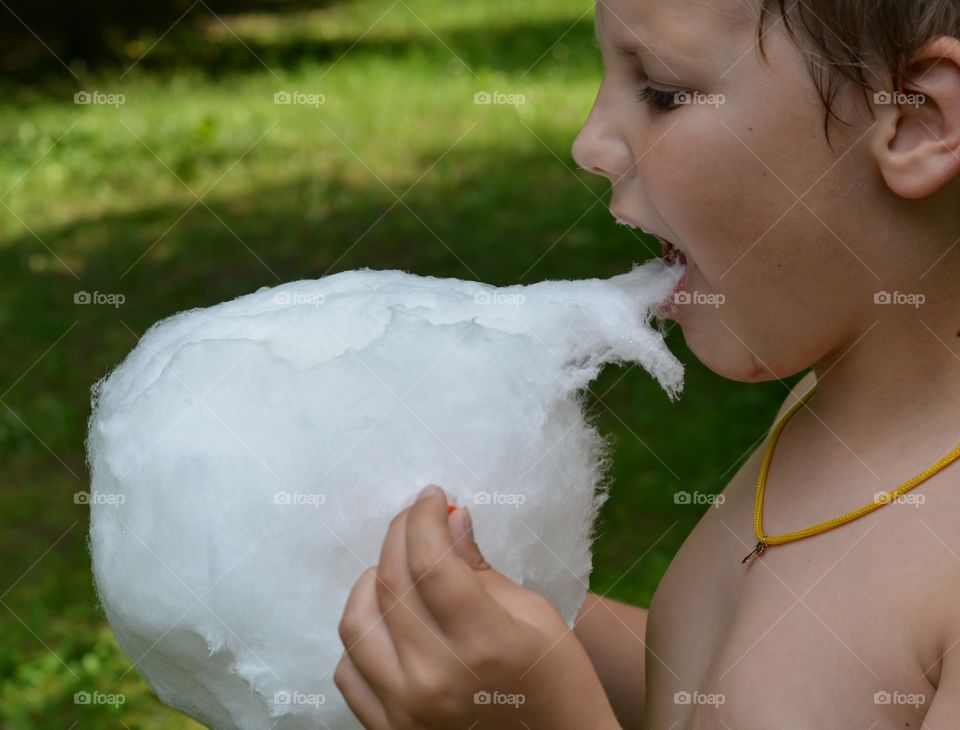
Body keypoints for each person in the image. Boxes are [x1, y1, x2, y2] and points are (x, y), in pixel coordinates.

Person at [334, 1, 960, 727]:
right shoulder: (839, 414)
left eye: (661, 91)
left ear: (914, 119)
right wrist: (496, 625)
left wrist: (547, 717)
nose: (591, 143)